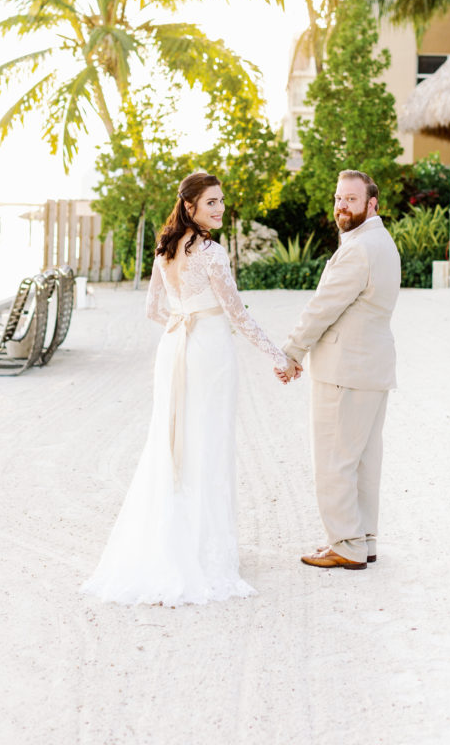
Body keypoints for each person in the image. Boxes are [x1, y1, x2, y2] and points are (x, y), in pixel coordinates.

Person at [81, 171, 289, 606]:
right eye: (211, 203)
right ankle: (206, 554)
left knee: (174, 443)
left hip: (175, 347)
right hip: (208, 352)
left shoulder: (165, 250)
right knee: (207, 444)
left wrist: (181, 324)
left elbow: (153, 308)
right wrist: (277, 355)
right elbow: (238, 317)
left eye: (221, 201)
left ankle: (174, 545)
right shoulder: (212, 253)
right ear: (190, 206)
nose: (220, 209)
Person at [276, 169, 400, 570]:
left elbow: (323, 307)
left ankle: (345, 544)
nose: (342, 206)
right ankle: (364, 538)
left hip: (345, 372)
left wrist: (291, 351)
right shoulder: (383, 244)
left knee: (334, 460)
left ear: (372, 204)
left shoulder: (358, 249)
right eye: (338, 198)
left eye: (350, 199)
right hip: (372, 370)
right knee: (362, 460)